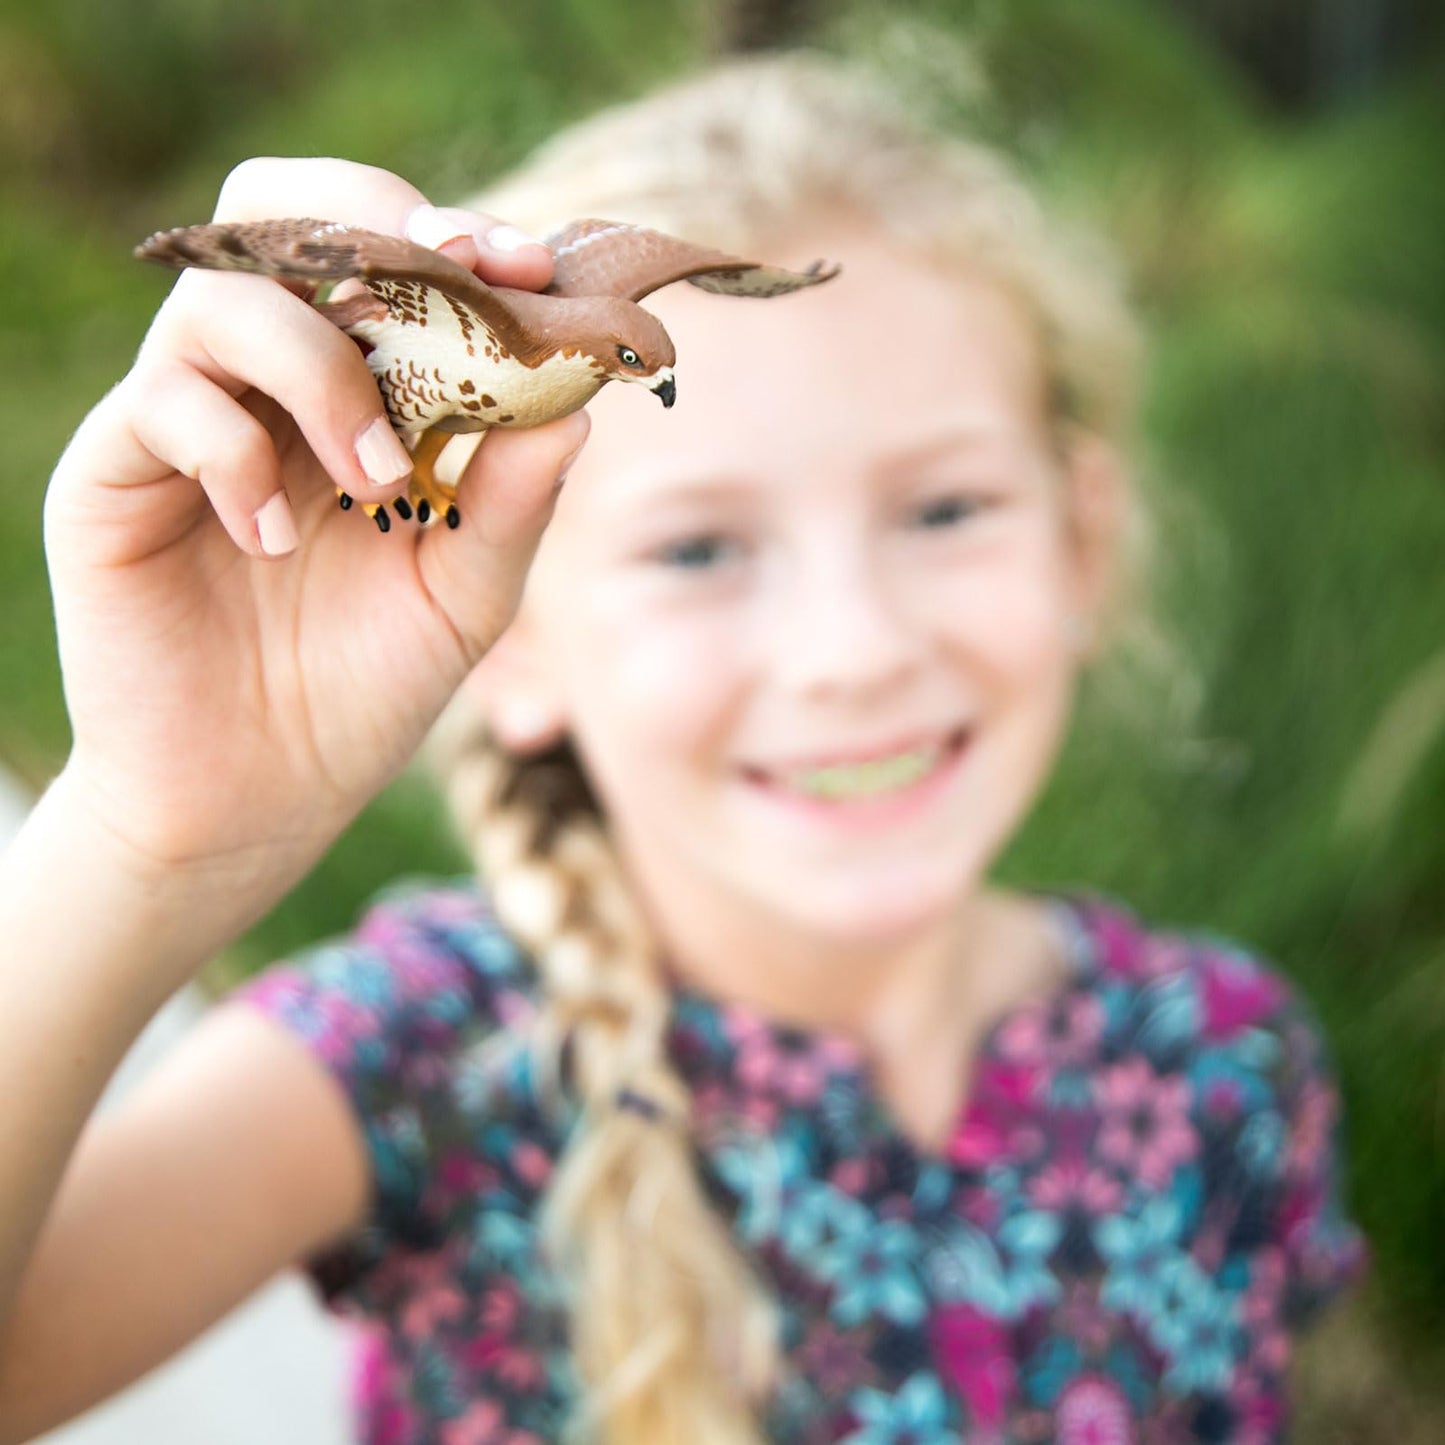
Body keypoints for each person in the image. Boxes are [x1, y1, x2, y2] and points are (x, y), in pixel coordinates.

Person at [0, 50, 1364, 1445]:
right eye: (698, 546)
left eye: (944, 510)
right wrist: (142, 835)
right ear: (511, 638)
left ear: (1079, 532)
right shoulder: (421, 1054)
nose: (853, 648)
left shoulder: (1223, 1064)